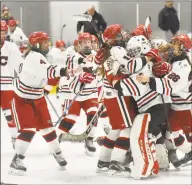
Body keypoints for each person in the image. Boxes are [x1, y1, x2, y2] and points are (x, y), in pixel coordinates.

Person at [8, 31, 76, 175]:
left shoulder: (41, 56)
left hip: (37, 97)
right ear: (36, 44)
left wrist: (75, 69)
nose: (47, 44)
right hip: (23, 99)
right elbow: (49, 71)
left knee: (48, 128)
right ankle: (16, 160)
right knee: (29, 129)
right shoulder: (33, 57)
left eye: (47, 42)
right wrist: (68, 71)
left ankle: (57, 152)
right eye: (44, 42)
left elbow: (49, 73)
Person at [0, 20, 23, 149]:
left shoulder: (11, 47)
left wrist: (26, 79)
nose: (2, 35)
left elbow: (20, 66)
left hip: (7, 86)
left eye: (3, 32)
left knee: (10, 115)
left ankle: (15, 137)